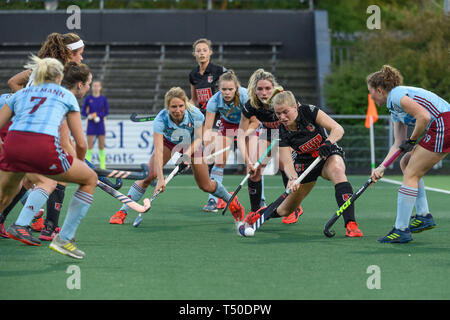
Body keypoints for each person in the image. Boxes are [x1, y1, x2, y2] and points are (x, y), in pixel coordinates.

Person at [0, 56, 96, 259]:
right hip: (42, 148)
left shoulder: (20, 94)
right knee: (89, 179)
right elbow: (80, 143)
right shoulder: (65, 95)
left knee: (4, 197)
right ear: (60, 77)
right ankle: (64, 239)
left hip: (12, 146)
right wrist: (78, 165)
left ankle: (19, 223)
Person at [109, 87, 245, 225]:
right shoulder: (160, 120)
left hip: (191, 144)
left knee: (206, 185)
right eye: (173, 107)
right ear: (168, 107)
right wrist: (161, 179)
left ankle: (230, 199)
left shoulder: (195, 114)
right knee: (149, 176)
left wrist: (186, 155)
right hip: (168, 143)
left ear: (185, 104)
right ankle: (123, 211)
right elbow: (158, 149)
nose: (178, 110)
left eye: (181, 106)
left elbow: (199, 139)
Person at [241, 90, 363, 237]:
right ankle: (261, 212)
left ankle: (351, 224)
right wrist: (292, 178)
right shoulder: (281, 131)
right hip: (304, 163)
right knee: (285, 210)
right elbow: (287, 163)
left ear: (295, 107)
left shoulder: (309, 111)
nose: (282, 117)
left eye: (285, 112)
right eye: (278, 114)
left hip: (326, 156)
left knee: (337, 170)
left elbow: (338, 129)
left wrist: (328, 142)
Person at [3, 32, 85, 238]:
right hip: (27, 131)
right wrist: (75, 160)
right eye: (79, 54)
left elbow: (14, 83)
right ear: (69, 53)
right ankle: (38, 227)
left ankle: (24, 223)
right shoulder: (58, 77)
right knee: (48, 181)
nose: (82, 58)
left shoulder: (44, 67)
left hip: (16, 127)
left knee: (20, 184)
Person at [367, 65, 449, 243]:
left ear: (380, 90)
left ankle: (401, 229)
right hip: (441, 125)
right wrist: (381, 168)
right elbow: (398, 143)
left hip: (444, 123)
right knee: (405, 162)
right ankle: (423, 215)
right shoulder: (394, 109)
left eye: (371, 92)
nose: (371, 96)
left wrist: (412, 140)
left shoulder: (396, 94)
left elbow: (424, 117)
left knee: (411, 172)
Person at [237, 68, 302, 225]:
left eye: (268, 88)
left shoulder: (283, 99)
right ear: (254, 90)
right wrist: (248, 161)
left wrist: (295, 145)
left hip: (289, 133)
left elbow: (300, 121)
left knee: (284, 165)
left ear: (274, 88)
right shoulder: (250, 105)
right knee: (254, 171)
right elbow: (240, 135)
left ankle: (294, 207)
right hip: (268, 133)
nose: (264, 92)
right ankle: (255, 211)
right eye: (260, 89)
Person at [202, 70, 248, 212]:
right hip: (227, 124)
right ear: (219, 89)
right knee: (219, 161)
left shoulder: (245, 96)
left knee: (252, 162)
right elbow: (208, 128)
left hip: (246, 123)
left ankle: (260, 202)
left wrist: (243, 134)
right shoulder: (214, 101)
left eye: (230, 89)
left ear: (236, 88)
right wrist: (208, 149)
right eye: (224, 89)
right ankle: (213, 199)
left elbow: (253, 119)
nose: (227, 92)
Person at [189, 38, 227, 114]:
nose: (201, 53)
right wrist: (188, 108)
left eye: (205, 50)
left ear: (210, 52)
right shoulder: (193, 74)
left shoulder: (219, 70)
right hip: (202, 114)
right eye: (198, 51)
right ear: (194, 53)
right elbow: (194, 99)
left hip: (219, 113)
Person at [81, 80, 109, 169]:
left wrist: (98, 115)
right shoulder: (88, 99)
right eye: (94, 86)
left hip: (100, 124)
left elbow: (106, 112)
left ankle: (103, 167)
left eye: (97, 86)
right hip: (91, 124)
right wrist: (89, 116)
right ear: (91, 87)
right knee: (89, 146)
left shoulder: (103, 99)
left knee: (101, 146)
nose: (96, 88)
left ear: (100, 88)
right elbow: (83, 111)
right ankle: (87, 167)